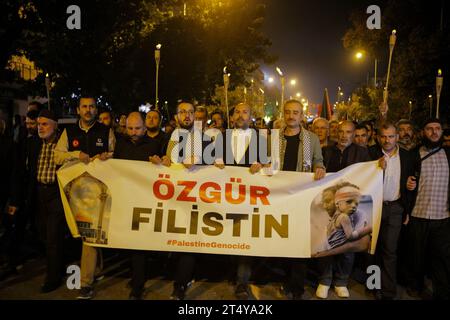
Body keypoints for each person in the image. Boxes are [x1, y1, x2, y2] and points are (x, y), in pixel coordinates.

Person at [54, 96, 115, 299]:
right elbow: (57, 155)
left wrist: (108, 157)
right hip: (75, 192)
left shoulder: (106, 131)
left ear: (96, 110)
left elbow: (115, 155)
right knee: (81, 235)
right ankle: (92, 272)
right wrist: (76, 154)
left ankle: (86, 283)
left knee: (90, 235)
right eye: (84, 107)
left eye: (92, 107)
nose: (88, 110)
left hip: (98, 193)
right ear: (78, 110)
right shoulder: (68, 132)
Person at [114, 112, 168, 299]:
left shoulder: (154, 145)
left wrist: (161, 163)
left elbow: (167, 169)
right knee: (130, 243)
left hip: (146, 202)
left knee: (140, 245)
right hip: (125, 200)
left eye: (137, 128)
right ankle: (137, 278)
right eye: (130, 128)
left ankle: (138, 285)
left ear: (144, 128)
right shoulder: (120, 144)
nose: (134, 132)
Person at [277, 100, 325, 299]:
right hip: (278, 198)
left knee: (299, 242)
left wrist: (319, 168)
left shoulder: (311, 139)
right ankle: (286, 280)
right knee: (282, 241)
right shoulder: (274, 138)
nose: (291, 116)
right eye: (287, 112)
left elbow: (318, 160)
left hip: (301, 199)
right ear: (283, 114)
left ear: (302, 115)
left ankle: (297, 288)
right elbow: (264, 161)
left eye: (295, 112)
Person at [317, 120, 371, 299]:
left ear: (353, 133)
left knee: (347, 246)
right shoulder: (326, 151)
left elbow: (369, 176)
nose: (343, 135)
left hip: (352, 206)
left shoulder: (362, 152)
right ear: (336, 132)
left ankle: (341, 282)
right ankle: (324, 280)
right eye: (340, 131)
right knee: (328, 241)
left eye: (348, 132)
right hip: (331, 205)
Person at [405, 118, 450, 300]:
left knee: (442, 258)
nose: (434, 132)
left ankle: (443, 292)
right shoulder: (414, 154)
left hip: (443, 216)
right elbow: (405, 177)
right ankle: (415, 286)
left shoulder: (448, 153)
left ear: (441, 132)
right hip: (418, 214)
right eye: (429, 129)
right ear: (423, 132)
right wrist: (407, 183)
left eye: (437, 128)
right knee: (417, 255)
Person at [368, 122, 414, 300]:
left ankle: (388, 292)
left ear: (397, 137)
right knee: (372, 249)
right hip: (373, 206)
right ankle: (373, 285)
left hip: (395, 207)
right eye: (383, 136)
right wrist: (374, 167)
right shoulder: (371, 154)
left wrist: (411, 187)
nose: (387, 140)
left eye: (391, 136)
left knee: (390, 250)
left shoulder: (408, 156)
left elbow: (412, 181)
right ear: (379, 137)